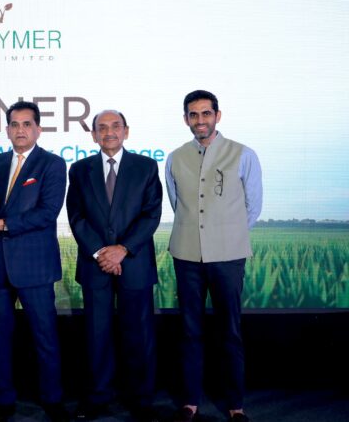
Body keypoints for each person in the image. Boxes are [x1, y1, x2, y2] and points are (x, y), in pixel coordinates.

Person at [166, 90, 262, 422]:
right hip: (187, 254)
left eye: (206, 113)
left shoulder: (243, 154)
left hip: (228, 255)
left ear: (217, 116)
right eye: (193, 115)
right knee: (190, 329)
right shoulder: (175, 157)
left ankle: (235, 405)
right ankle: (190, 402)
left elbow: (253, 206)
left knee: (230, 330)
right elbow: (177, 203)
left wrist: (225, 234)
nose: (200, 120)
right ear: (186, 120)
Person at [0, 101, 69, 422]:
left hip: (35, 265)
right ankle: (3, 399)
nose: (20, 130)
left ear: (38, 129)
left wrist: (2, 224)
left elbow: (47, 213)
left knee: (45, 336)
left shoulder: (52, 164)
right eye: (14, 124)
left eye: (27, 124)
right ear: (7, 130)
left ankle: (52, 398)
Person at [66, 110, 162, 422]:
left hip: (134, 262)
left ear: (126, 131)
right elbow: (76, 216)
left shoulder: (146, 167)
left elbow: (151, 214)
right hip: (95, 265)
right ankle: (98, 397)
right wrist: (100, 253)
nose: (109, 132)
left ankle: (142, 400)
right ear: (94, 135)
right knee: (97, 335)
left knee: (139, 334)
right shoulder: (79, 169)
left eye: (115, 126)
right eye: (102, 128)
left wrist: (122, 249)